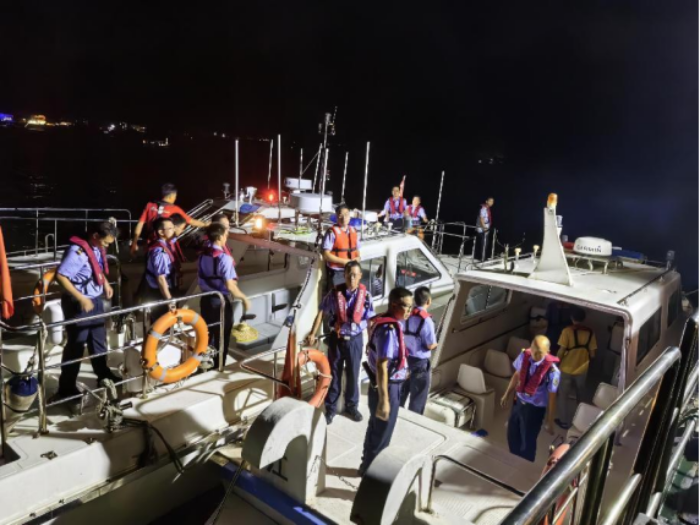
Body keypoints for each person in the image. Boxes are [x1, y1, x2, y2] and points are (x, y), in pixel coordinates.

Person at [53, 222, 121, 401]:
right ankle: (66, 387)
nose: (106, 247)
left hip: (95, 299)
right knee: (76, 345)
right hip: (79, 303)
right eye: (105, 243)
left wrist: (106, 284)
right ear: (95, 236)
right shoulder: (77, 252)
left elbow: (97, 267)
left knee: (99, 340)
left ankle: (103, 374)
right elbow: (61, 276)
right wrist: (81, 298)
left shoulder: (95, 247)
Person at [306, 261, 375, 425]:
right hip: (337, 339)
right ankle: (330, 409)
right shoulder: (334, 293)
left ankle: (352, 406)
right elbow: (322, 312)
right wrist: (313, 333)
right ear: (344, 275)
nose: (352, 278)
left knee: (353, 374)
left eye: (355, 275)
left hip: (355, 340)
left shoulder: (366, 296)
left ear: (360, 276)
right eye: (349, 275)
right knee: (334, 374)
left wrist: (370, 342)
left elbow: (370, 320)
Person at [360, 287, 413, 476]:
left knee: (375, 428)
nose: (409, 311)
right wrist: (384, 401)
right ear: (394, 305)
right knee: (382, 434)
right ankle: (371, 475)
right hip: (387, 388)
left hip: (385, 384)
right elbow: (382, 365)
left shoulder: (386, 322)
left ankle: (365, 466)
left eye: (411, 307)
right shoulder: (389, 330)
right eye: (406, 307)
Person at [501, 335, 560, 463]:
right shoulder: (524, 356)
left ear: (547, 352)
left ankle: (525, 466)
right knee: (512, 435)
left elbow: (552, 398)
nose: (534, 354)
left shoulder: (552, 372)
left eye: (539, 352)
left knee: (528, 441)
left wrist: (550, 421)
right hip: (518, 402)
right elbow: (517, 375)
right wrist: (506, 394)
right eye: (533, 350)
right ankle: (513, 461)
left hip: (534, 409)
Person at [199, 224, 251, 365]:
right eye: (226, 235)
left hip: (205, 299)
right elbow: (229, 285)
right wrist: (243, 298)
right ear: (220, 237)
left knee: (207, 332)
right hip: (220, 301)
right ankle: (219, 365)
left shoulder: (203, 255)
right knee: (222, 335)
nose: (226, 238)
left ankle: (205, 362)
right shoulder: (224, 258)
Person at [131, 183, 210, 257]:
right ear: (171, 196)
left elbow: (140, 224)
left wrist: (134, 242)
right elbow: (191, 221)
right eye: (175, 196)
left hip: (150, 245)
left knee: (151, 263)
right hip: (166, 245)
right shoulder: (175, 209)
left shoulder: (149, 205)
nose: (175, 198)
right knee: (166, 263)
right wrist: (205, 224)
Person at [555, 308, 598, 429]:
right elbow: (592, 354)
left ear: (571, 318)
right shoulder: (590, 332)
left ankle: (564, 421)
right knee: (581, 394)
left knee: (563, 396)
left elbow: (561, 351)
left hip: (566, 368)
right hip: (582, 369)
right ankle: (581, 420)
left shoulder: (567, 331)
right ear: (583, 318)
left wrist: (555, 363)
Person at [401, 287, 438, 415]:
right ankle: (413, 422)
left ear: (414, 300)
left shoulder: (406, 315)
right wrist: (436, 344)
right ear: (429, 301)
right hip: (420, 364)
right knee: (418, 398)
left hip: (405, 361)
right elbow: (430, 345)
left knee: (401, 393)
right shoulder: (427, 321)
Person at [140, 218, 179, 321]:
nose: (174, 230)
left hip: (165, 288)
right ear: (161, 232)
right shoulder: (160, 252)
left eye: (173, 227)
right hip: (160, 292)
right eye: (170, 228)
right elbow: (161, 278)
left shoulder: (165, 244)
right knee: (161, 322)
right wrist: (169, 300)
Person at [322, 204, 361, 288]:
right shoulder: (331, 233)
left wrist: (358, 258)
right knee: (337, 295)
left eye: (346, 215)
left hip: (352, 271)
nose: (344, 218)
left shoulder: (354, 230)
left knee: (352, 292)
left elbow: (357, 249)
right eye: (340, 215)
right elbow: (326, 255)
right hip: (337, 272)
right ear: (336, 217)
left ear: (349, 216)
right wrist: (344, 261)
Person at [475, 197, 495, 262]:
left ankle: (481, 256)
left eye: (492, 201)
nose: (491, 203)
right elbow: (481, 218)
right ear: (486, 201)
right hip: (483, 228)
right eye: (490, 201)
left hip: (485, 227)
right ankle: (482, 257)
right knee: (484, 243)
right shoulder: (484, 208)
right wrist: (484, 228)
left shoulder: (487, 208)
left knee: (484, 242)